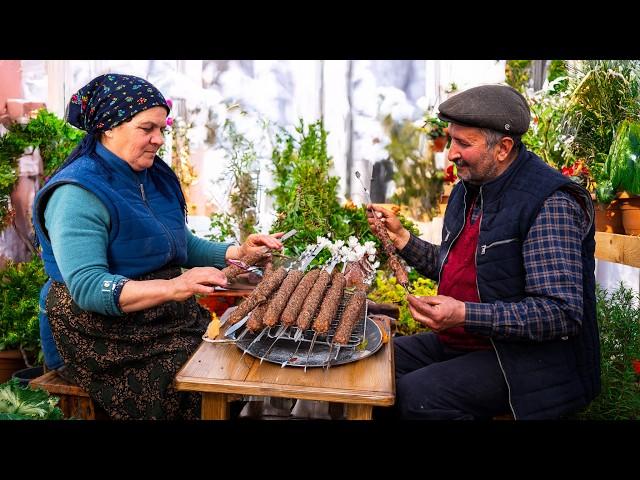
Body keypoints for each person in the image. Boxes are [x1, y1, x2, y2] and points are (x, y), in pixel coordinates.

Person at [32, 73, 283, 420]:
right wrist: (176, 285)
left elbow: (175, 243)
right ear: (108, 128)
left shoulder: (151, 176)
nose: (159, 139)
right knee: (199, 385)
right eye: (147, 128)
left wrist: (238, 253)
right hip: (99, 331)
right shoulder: (77, 193)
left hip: (161, 320)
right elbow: (89, 288)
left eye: (162, 128)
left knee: (232, 363)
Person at [369, 84, 600, 420]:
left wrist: (465, 314)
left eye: (464, 143)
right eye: (450, 139)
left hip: (529, 363)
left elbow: (560, 313)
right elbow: (461, 269)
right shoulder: (470, 189)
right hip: (465, 343)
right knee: (375, 364)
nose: (451, 153)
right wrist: (403, 238)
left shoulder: (548, 203)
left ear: (503, 148)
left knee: (420, 395)